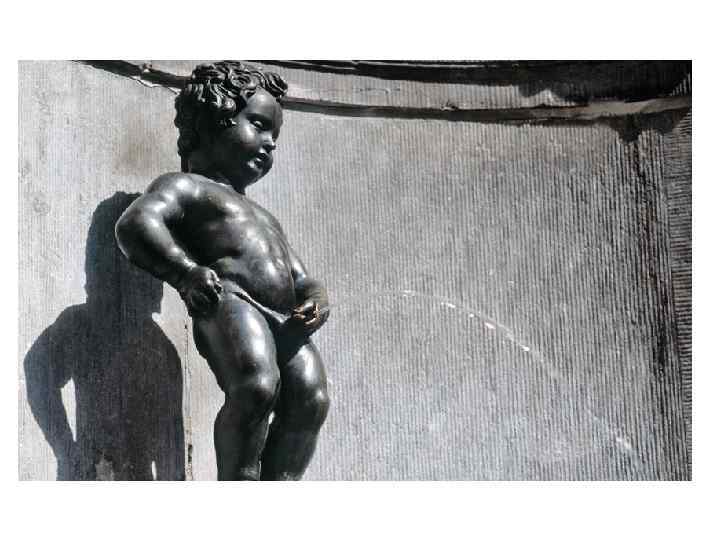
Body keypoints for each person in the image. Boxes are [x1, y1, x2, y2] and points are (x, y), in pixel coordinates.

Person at [115, 61, 330, 481]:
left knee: (312, 398)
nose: (270, 143)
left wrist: (316, 298)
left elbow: (301, 276)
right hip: (229, 298)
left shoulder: (264, 216)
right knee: (256, 386)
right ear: (213, 120)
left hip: (286, 319)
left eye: (275, 136)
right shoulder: (187, 186)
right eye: (259, 125)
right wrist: (185, 273)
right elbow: (138, 222)